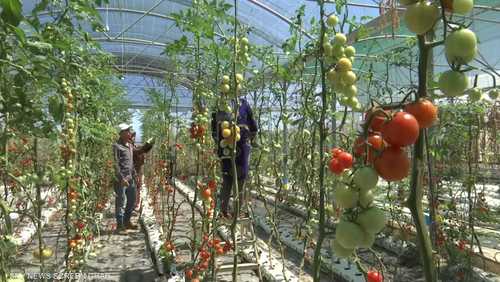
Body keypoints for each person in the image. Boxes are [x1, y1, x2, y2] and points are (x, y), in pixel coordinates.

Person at [211, 97, 258, 219]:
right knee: (240, 181)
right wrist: (248, 139)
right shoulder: (243, 104)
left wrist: (220, 144)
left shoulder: (219, 105)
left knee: (227, 180)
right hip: (241, 148)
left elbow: (214, 132)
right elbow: (253, 127)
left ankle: (223, 211)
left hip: (226, 149)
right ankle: (236, 212)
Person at [112, 123, 138, 234]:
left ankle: (127, 221)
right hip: (121, 180)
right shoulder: (116, 146)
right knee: (120, 202)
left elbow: (131, 163)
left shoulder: (130, 146)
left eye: (129, 130)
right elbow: (115, 163)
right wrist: (121, 178)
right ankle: (120, 225)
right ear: (121, 133)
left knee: (132, 200)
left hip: (130, 178)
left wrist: (135, 174)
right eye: (127, 130)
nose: (129, 132)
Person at [130, 131, 154, 211]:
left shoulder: (136, 146)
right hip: (131, 171)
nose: (133, 138)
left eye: (134, 137)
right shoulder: (129, 147)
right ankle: (133, 204)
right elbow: (140, 151)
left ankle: (137, 204)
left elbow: (142, 153)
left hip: (138, 170)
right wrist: (148, 145)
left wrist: (148, 146)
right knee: (132, 188)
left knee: (138, 187)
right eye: (132, 137)